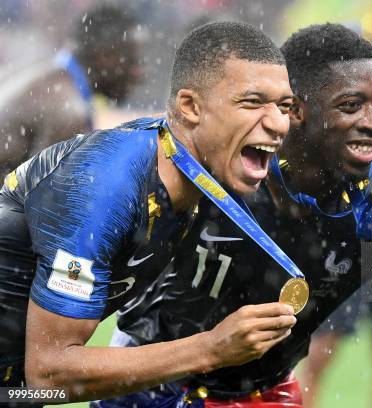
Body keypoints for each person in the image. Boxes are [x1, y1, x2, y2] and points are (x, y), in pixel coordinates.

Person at [99, 23, 372, 408]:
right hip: (150, 385)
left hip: (264, 396)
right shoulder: (223, 164)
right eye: (351, 105)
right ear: (296, 110)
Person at [0, 21, 298, 403]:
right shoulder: (105, 185)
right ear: (190, 107)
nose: (277, 124)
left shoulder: (198, 165)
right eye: (253, 102)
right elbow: (47, 373)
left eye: (285, 107)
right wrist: (211, 348)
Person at [0, 5, 143, 178]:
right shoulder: (68, 111)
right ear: (104, 57)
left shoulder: (44, 76)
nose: (139, 74)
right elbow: (44, 201)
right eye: (133, 62)